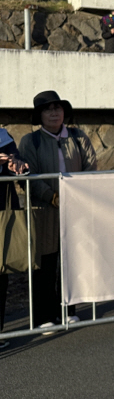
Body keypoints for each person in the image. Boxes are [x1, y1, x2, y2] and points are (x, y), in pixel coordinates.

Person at [19, 92, 96, 331]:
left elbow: (90, 167)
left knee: (70, 262)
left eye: (58, 108)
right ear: (39, 115)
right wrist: (50, 196)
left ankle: (68, 311)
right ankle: (44, 316)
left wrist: (78, 194)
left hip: (74, 210)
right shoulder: (30, 142)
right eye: (47, 109)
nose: (54, 112)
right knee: (45, 264)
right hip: (43, 211)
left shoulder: (78, 136)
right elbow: (27, 176)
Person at [0, 129, 29, 348]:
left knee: (1, 273)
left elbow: (17, 168)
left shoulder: (3, 136)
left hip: (3, 212)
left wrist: (16, 166)